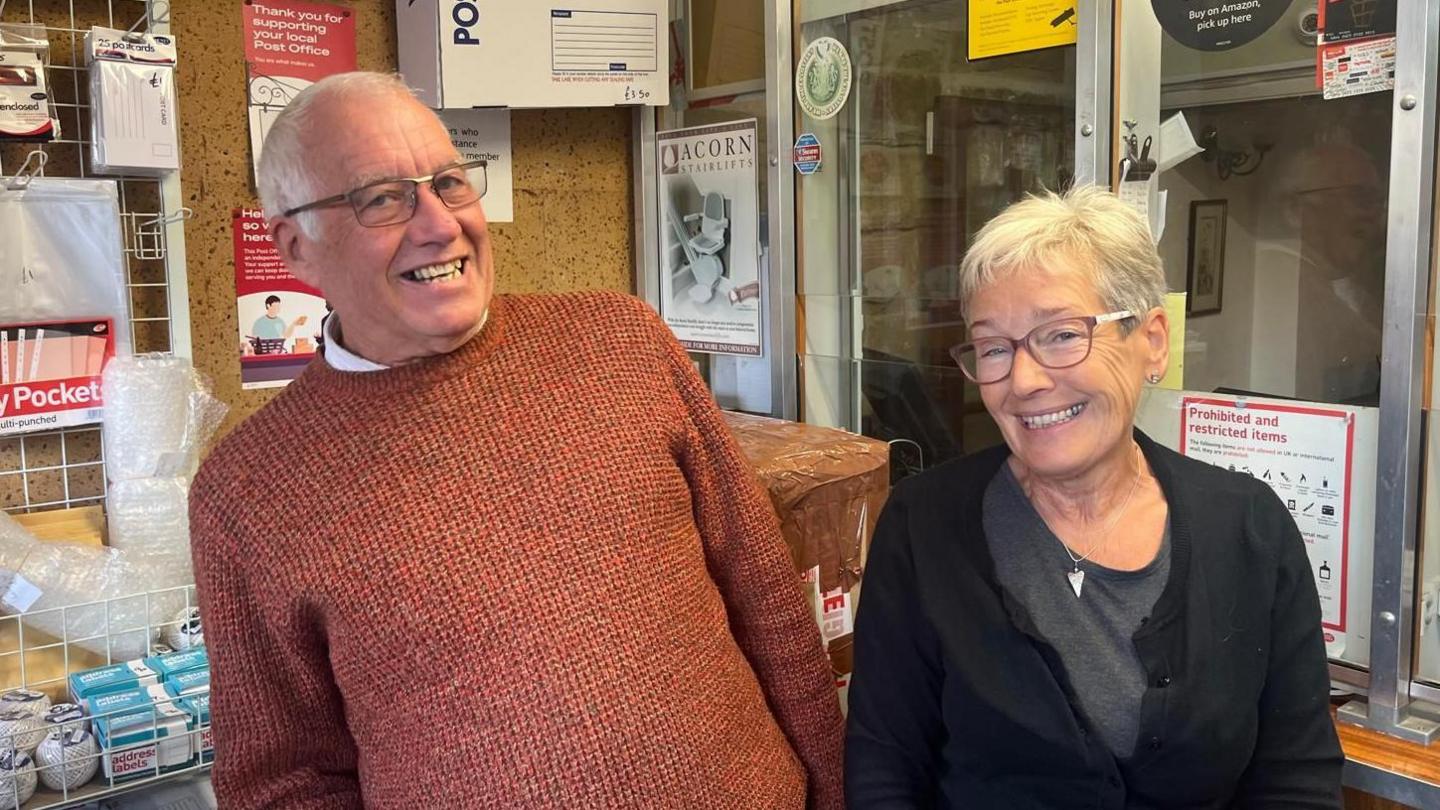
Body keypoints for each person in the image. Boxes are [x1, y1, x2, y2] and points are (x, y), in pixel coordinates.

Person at [189, 71, 843, 808]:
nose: (440, 225)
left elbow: (765, 596)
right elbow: (284, 781)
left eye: (449, 182)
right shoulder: (247, 491)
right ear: (294, 247)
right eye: (382, 198)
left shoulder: (620, 341)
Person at [845, 186, 1342, 807]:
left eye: (1060, 335)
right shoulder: (924, 525)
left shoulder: (1249, 530)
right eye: (994, 347)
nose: (1023, 381)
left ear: (1152, 341)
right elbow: (885, 768)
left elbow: (1295, 781)